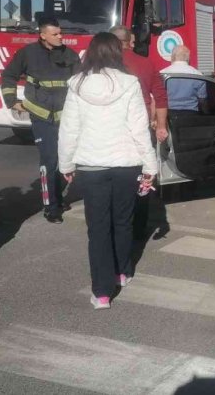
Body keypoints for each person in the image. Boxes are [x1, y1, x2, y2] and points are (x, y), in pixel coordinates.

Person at [58, 32, 157, 310]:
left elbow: (69, 129)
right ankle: (122, 272)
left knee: (98, 229)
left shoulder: (77, 85)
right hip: (127, 164)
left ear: (91, 53)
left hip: (92, 166)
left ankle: (102, 292)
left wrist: (65, 164)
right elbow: (139, 128)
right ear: (117, 53)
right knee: (123, 222)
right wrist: (150, 165)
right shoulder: (128, 83)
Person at [1, 17, 80, 223]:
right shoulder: (27, 54)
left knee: (67, 159)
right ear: (43, 35)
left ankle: (58, 196)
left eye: (61, 33)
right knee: (49, 160)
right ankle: (51, 206)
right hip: (41, 116)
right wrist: (12, 101)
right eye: (55, 34)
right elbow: (8, 76)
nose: (60, 37)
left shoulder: (70, 55)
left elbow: (80, 84)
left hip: (66, 117)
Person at [109, 25, 168, 240]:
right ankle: (140, 224)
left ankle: (116, 223)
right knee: (144, 178)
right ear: (128, 42)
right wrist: (161, 125)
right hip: (141, 128)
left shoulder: (103, 65)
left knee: (115, 179)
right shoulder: (145, 63)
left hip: (113, 130)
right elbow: (160, 98)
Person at [161, 45, 207, 113]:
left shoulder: (162, 74)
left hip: (168, 115)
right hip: (191, 115)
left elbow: (157, 99)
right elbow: (202, 100)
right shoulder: (198, 75)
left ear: (172, 57)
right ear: (188, 58)